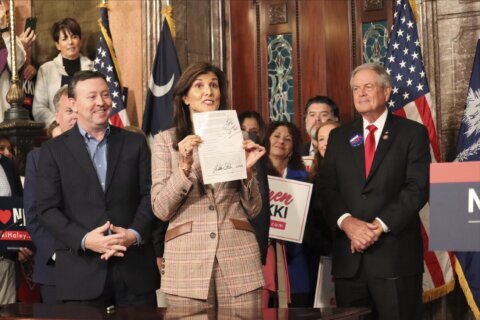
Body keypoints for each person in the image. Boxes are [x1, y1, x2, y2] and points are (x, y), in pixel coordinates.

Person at [35, 71, 159, 306]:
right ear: (73, 103)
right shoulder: (53, 150)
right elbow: (47, 209)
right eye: (92, 96)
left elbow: (150, 195)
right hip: (81, 274)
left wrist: (133, 235)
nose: (101, 102)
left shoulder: (135, 143)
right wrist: (84, 240)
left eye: (105, 94)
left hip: (134, 271)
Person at [319, 63, 430, 320]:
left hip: (395, 260)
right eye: (356, 88)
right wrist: (347, 223)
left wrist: (378, 226)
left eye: (368, 87)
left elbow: (418, 187)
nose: (361, 93)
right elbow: (327, 190)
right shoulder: (339, 137)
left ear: (387, 91)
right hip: (350, 261)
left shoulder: (412, 133)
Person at [151, 62, 266, 308]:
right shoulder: (165, 142)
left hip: (238, 257)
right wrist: (183, 167)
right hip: (187, 261)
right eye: (199, 85)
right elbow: (161, 209)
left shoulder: (241, 138)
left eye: (213, 85)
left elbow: (254, 209)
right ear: (185, 98)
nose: (208, 92)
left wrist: (247, 173)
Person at [24, 86, 77, 303]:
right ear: (56, 115)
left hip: (100, 268)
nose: (75, 116)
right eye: (68, 110)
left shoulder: (104, 154)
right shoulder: (38, 158)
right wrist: (57, 254)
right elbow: (34, 214)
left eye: (78, 110)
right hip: (56, 271)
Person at [264, 121, 313, 307]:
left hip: (294, 258)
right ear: (267, 141)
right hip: (262, 258)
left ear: (293, 148)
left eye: (288, 139)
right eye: (276, 136)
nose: (281, 141)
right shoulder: (253, 174)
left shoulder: (303, 179)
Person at [32, 18, 93, 127]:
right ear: (57, 45)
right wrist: (56, 125)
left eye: (74, 37)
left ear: (80, 41)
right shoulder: (46, 70)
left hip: (88, 128)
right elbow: (39, 108)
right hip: (58, 131)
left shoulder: (93, 68)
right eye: (64, 39)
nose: (70, 42)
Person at [0, 0, 35, 123]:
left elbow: (16, 62)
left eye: (7, 13)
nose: (4, 15)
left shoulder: (8, 43)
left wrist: (5, 31)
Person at [0, 153, 22, 305]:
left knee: (8, 313)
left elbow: (19, 204)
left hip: (6, 257)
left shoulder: (7, 164)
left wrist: (21, 242)